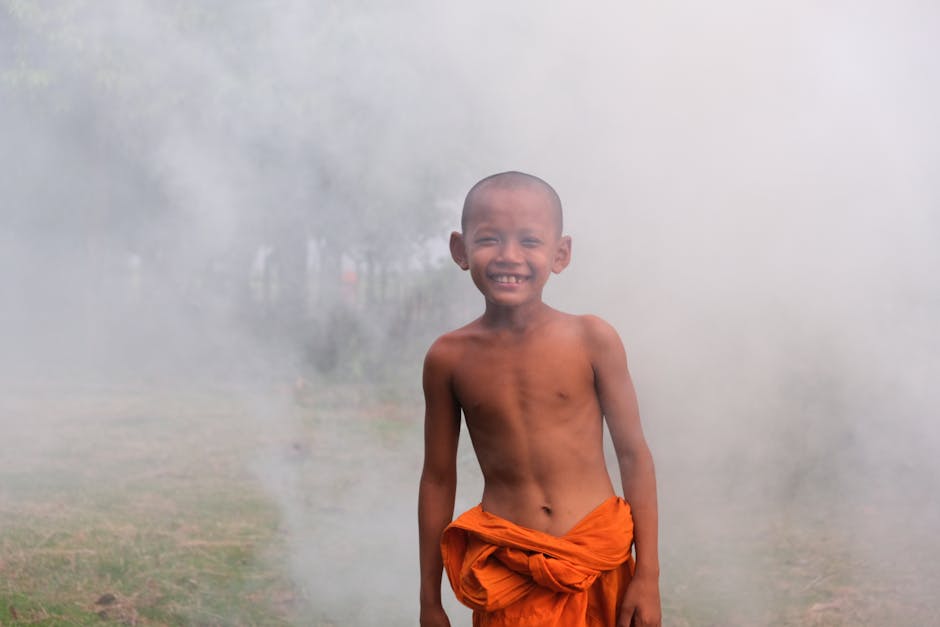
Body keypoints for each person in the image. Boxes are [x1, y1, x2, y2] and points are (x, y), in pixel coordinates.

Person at [418, 171, 661, 627]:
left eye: (529, 241)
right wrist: (429, 600)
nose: (509, 256)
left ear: (560, 254)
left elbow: (634, 456)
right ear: (460, 250)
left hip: (598, 562)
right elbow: (436, 479)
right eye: (489, 239)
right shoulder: (448, 358)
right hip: (510, 573)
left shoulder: (592, 339)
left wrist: (647, 575)